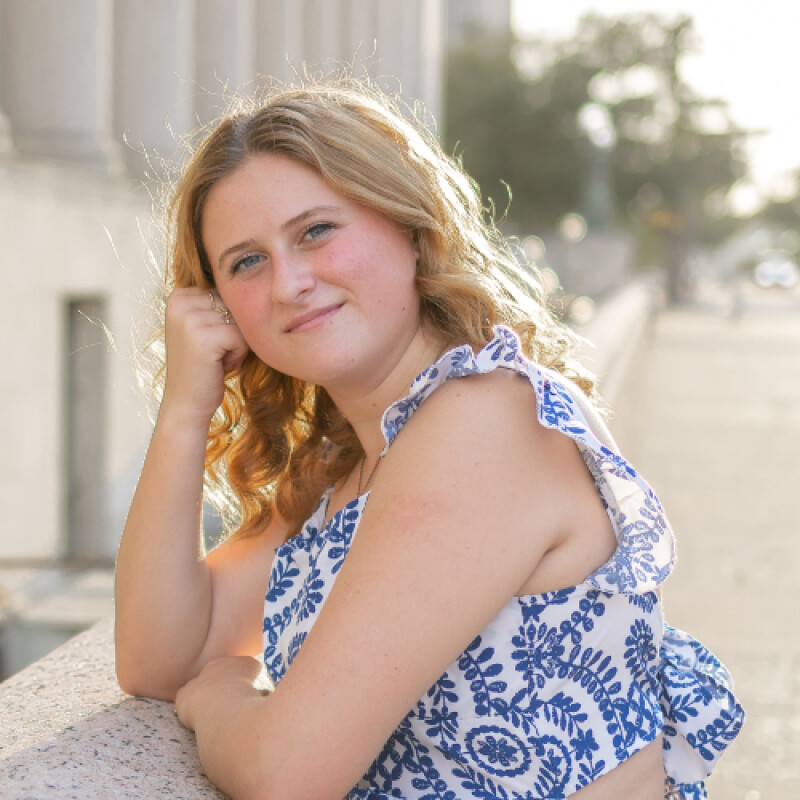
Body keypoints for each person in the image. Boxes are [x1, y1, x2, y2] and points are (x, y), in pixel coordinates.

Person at [114, 80, 744, 800]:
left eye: (316, 231)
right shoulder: (350, 462)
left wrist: (219, 699)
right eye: (246, 262)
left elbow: (283, 773)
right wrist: (185, 409)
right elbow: (158, 660)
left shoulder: (483, 424)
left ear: (409, 228)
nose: (289, 283)